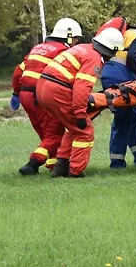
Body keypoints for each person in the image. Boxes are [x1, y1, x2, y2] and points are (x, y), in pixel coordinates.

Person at [34, 26, 124, 178]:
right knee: (84, 131)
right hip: (57, 90)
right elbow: (82, 87)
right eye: (114, 52)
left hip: (43, 88)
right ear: (109, 49)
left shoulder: (83, 48)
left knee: (73, 128)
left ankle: (61, 166)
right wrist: (81, 113)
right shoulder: (94, 58)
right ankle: (75, 171)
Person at [14, 18, 82, 176]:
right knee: (55, 134)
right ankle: (33, 164)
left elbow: (19, 71)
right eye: (76, 39)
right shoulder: (63, 51)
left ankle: (53, 164)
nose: (76, 42)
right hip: (42, 95)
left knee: (45, 134)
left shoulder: (38, 48)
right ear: (69, 36)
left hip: (26, 95)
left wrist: (16, 93)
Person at [99, 26, 136, 169]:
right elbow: (133, 57)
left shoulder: (128, 34)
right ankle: (117, 162)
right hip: (120, 76)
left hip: (112, 72)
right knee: (124, 119)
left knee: (134, 117)